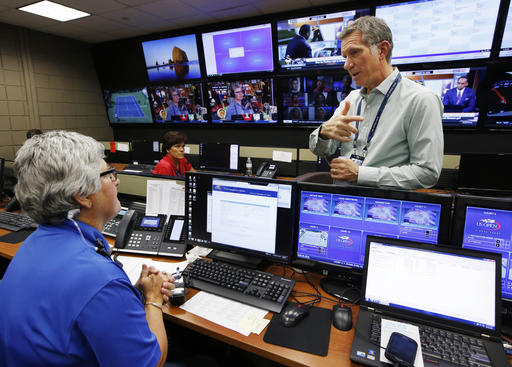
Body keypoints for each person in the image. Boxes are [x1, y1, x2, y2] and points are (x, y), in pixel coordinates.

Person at [0, 131, 175, 366]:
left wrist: (132, 295)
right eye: (110, 174)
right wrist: (153, 299)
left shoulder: (34, 241)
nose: (118, 180)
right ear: (82, 195)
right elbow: (150, 363)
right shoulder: (101, 279)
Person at [309, 16, 443, 190]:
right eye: (345, 56)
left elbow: (427, 173)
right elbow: (319, 149)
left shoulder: (421, 100)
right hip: (341, 199)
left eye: (354, 53)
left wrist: (361, 174)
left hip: (382, 208)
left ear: (382, 50)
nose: (347, 65)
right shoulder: (351, 99)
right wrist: (324, 133)